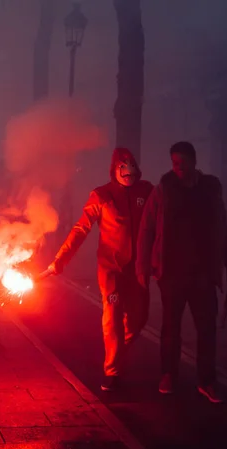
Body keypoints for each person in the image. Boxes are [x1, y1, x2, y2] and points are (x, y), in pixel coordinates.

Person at [47, 148, 153, 391]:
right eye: (122, 167)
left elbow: (159, 223)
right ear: (114, 169)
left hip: (138, 270)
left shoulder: (147, 192)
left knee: (138, 319)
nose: (128, 172)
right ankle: (112, 370)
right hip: (112, 270)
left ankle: (116, 354)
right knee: (113, 315)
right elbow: (81, 228)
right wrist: (61, 258)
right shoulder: (102, 195)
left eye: (131, 166)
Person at [136, 141, 227, 403]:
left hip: (203, 273)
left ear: (193, 161)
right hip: (172, 273)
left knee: (206, 330)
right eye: (174, 163)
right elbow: (146, 230)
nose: (177, 168)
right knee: (171, 328)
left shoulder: (210, 192)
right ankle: (168, 374)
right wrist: (142, 267)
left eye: (181, 163)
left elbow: (222, 229)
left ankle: (207, 381)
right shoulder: (163, 191)